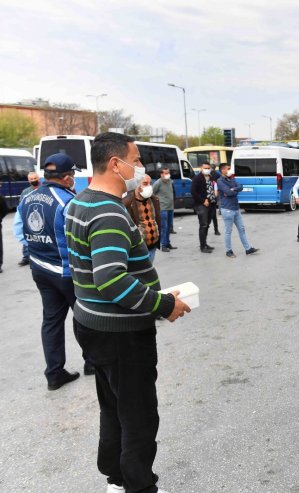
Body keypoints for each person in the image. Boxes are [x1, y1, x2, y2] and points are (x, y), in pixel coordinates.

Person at [67, 132, 190, 493]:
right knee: (138, 415)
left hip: (91, 322)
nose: (142, 168)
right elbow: (112, 281)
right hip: (119, 333)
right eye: (136, 161)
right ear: (115, 164)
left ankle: (117, 478)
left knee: (113, 406)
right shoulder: (108, 213)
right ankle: (139, 485)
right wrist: (164, 305)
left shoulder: (82, 201)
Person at [18, 153, 91, 389]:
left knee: (51, 321)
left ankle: (54, 373)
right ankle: (92, 362)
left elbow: (20, 232)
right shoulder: (67, 201)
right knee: (83, 317)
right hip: (66, 272)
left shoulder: (27, 197)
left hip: (39, 268)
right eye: (72, 176)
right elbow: (80, 240)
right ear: (67, 177)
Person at [216, 163, 259, 258]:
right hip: (227, 209)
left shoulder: (231, 178)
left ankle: (248, 249)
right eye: (228, 168)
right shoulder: (220, 181)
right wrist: (232, 191)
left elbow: (240, 186)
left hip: (236, 208)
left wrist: (233, 190)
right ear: (223, 170)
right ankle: (229, 251)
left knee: (242, 229)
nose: (230, 170)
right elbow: (227, 192)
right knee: (228, 231)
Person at [124, 174, 161, 262]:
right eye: (145, 183)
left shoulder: (154, 200)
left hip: (153, 246)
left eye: (150, 183)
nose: (149, 186)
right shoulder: (127, 203)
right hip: (138, 250)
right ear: (136, 185)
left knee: (149, 272)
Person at [15, 171, 41, 266]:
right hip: (28, 218)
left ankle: (40, 257)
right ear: (28, 180)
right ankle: (26, 257)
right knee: (27, 237)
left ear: (39, 178)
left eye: (35, 178)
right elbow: (21, 206)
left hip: (41, 217)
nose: (34, 180)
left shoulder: (44, 189)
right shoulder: (25, 192)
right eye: (31, 179)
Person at [191, 162, 217, 253]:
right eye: (205, 168)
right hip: (201, 205)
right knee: (203, 225)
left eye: (208, 168)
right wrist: (203, 201)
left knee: (207, 225)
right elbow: (193, 192)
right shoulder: (197, 178)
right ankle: (202, 246)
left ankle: (205, 243)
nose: (207, 169)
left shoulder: (210, 177)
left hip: (211, 204)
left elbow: (213, 189)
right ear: (201, 168)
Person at [152, 167, 177, 252]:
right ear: (161, 174)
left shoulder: (170, 181)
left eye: (168, 173)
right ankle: (163, 245)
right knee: (164, 227)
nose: (167, 175)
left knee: (169, 227)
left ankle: (167, 243)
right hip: (162, 208)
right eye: (166, 173)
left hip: (170, 207)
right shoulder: (158, 183)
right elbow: (152, 193)